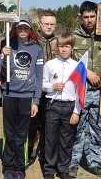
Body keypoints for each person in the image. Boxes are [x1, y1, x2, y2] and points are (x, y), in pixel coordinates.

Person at [69, 1, 101, 178]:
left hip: (100, 92)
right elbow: (68, 62)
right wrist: (86, 72)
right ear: (80, 17)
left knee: (97, 127)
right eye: (86, 17)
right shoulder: (74, 36)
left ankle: (94, 163)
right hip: (79, 91)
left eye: (92, 16)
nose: (89, 20)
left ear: (97, 17)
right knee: (77, 128)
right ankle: (73, 162)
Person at [0, 14, 44, 179]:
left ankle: (19, 167)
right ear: (15, 29)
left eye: (26, 27)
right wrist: (4, 57)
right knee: (9, 133)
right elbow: (2, 72)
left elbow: (39, 77)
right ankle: (8, 167)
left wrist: (36, 101)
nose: (23, 30)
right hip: (9, 94)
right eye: (20, 27)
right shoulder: (7, 45)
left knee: (21, 135)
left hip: (27, 97)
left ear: (30, 29)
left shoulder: (37, 49)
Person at [42, 32, 81, 179]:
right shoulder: (50, 64)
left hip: (70, 107)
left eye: (67, 46)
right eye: (61, 46)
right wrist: (53, 86)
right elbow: (42, 84)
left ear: (72, 48)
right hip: (53, 106)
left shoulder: (77, 66)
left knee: (67, 140)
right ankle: (49, 170)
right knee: (51, 139)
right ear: (56, 48)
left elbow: (80, 92)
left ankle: (63, 169)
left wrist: (76, 111)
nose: (63, 49)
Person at [28, 10, 58, 167]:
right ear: (39, 24)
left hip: (53, 92)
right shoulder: (32, 41)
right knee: (32, 124)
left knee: (50, 126)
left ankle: (47, 155)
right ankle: (29, 153)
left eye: (52, 24)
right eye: (46, 23)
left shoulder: (59, 42)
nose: (49, 27)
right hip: (35, 90)